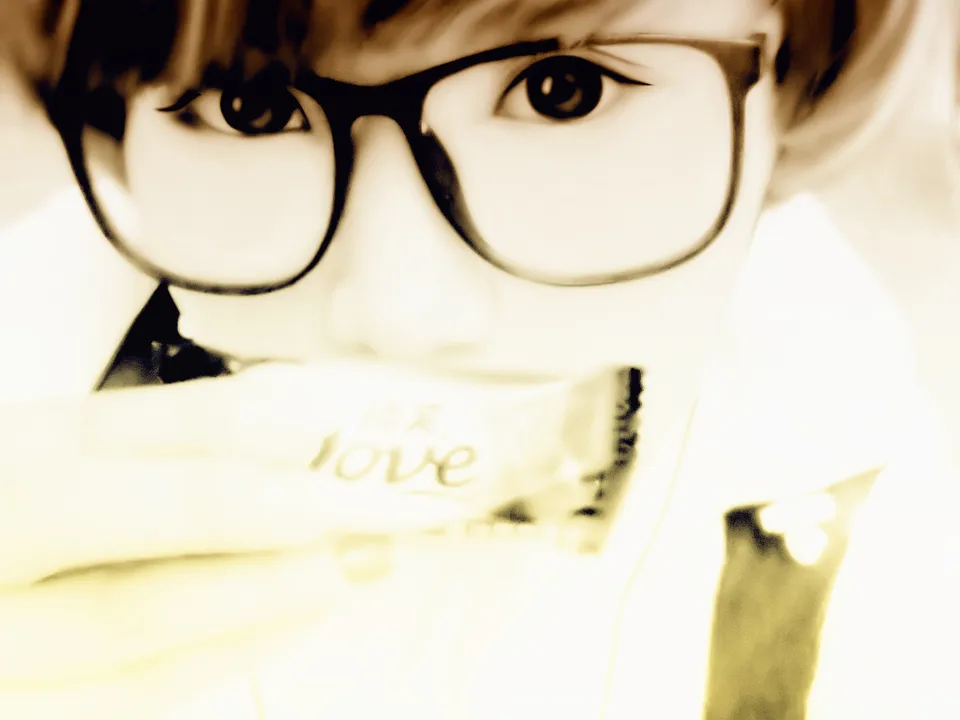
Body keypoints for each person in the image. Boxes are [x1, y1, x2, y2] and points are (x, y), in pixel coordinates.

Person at [0, 1, 955, 719]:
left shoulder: (915, 575)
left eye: (564, 91)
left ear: (796, 76)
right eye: (250, 106)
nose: (400, 312)